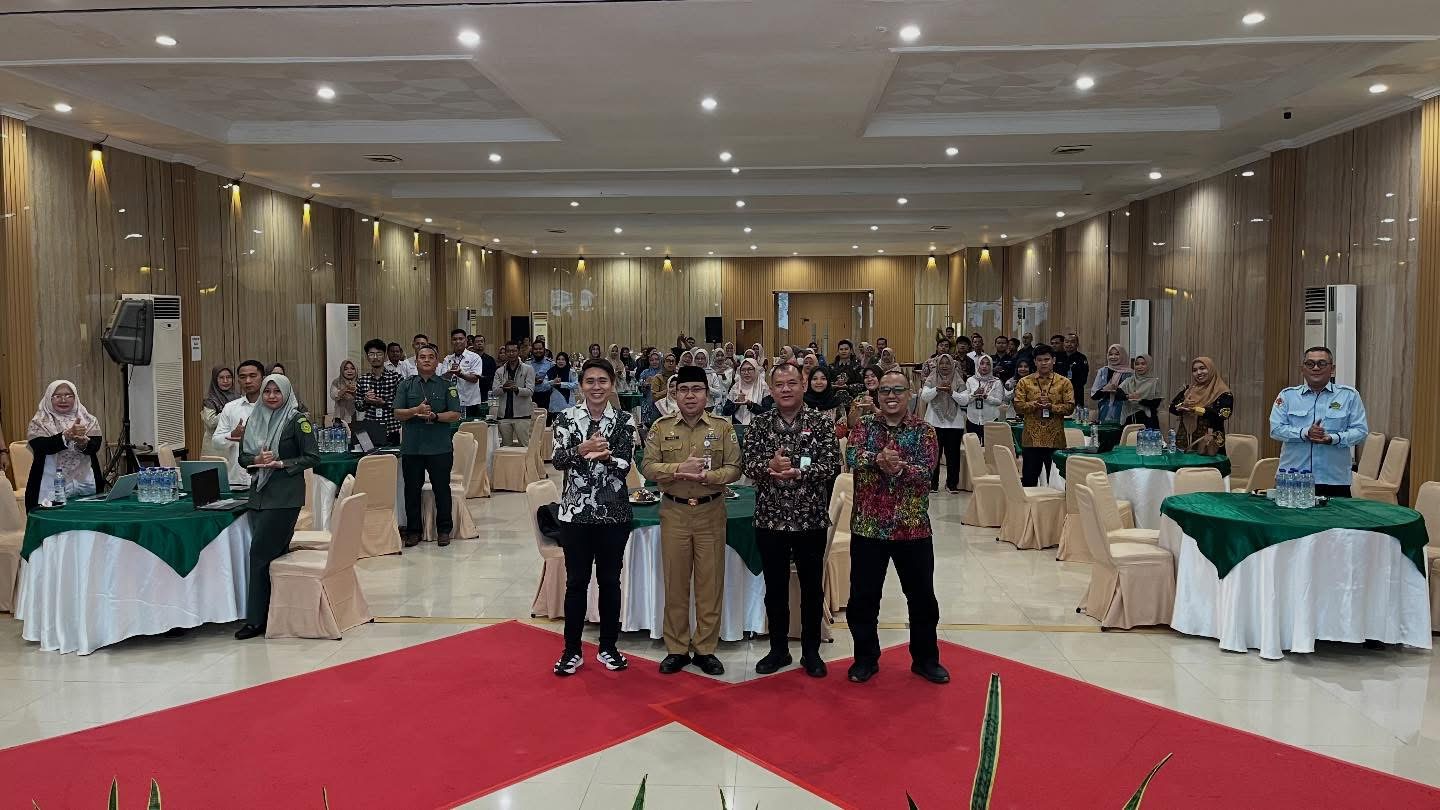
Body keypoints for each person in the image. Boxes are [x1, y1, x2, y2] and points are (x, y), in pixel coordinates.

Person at [845, 369, 946, 685]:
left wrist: (899, 469)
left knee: (922, 599)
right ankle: (865, 659)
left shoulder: (924, 431)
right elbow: (851, 455)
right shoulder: (864, 426)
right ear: (877, 395)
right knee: (863, 598)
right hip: (868, 527)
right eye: (885, 390)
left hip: (911, 527)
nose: (891, 396)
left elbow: (926, 471)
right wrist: (878, 459)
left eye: (898, 390)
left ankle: (925, 660)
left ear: (909, 394)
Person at [641, 365, 742, 676]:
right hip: (675, 512)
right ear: (674, 394)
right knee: (675, 583)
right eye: (683, 390)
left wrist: (709, 477)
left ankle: (705, 649)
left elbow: (735, 468)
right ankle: (676, 648)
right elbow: (647, 467)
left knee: (710, 584)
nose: (690, 395)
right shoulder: (661, 427)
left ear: (706, 394)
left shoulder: (723, 427)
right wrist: (678, 470)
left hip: (711, 512)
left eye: (696, 389)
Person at [742, 363, 839, 678]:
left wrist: (801, 471)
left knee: (811, 589)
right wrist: (768, 466)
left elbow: (831, 464)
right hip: (770, 520)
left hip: (810, 520)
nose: (786, 389)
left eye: (792, 383)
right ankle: (778, 650)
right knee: (775, 588)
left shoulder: (820, 423)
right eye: (780, 384)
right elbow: (748, 465)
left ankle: (811, 651)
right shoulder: (759, 424)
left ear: (803, 384)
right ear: (771, 389)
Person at [550, 359, 637, 676]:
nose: (596, 387)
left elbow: (626, 465)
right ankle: (571, 650)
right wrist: (581, 448)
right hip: (575, 515)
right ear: (581, 385)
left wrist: (608, 457)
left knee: (610, 582)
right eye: (590, 381)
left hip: (614, 514)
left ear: (612, 384)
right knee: (576, 583)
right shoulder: (566, 418)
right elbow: (557, 460)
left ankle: (608, 647)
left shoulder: (624, 421)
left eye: (602, 381)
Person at [233, 373, 318, 640]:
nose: (271, 396)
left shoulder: (297, 420)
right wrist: (256, 459)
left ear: (286, 393)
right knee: (273, 556)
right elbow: (243, 458)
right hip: (258, 495)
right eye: (267, 391)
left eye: (277, 391)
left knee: (259, 554)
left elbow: (312, 457)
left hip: (284, 498)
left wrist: (282, 464)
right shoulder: (254, 419)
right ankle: (276, 614)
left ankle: (255, 620)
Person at [1270, 347, 1369, 498]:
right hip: (1293, 477)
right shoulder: (1287, 396)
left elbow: (1360, 432)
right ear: (1302, 369)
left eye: (1322, 363)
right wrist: (1305, 433)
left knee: (1336, 515)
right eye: (1310, 364)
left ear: (1332, 369)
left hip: (1334, 480)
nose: (1315, 368)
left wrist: (1333, 438)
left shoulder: (1349, 396)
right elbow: (1276, 429)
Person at [394, 344, 462, 547]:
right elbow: (397, 413)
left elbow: (455, 414)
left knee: (441, 489)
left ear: (437, 362)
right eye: (422, 357)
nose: (426, 360)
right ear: (416, 362)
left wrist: (435, 416)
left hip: (439, 447)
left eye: (430, 357)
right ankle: (414, 531)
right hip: (412, 447)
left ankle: (444, 530)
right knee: (411, 491)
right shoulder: (406, 385)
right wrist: (415, 410)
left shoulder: (447, 385)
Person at [24, 380, 103, 511]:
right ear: (49, 398)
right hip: (49, 485)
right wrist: (66, 436)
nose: (63, 400)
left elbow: (95, 447)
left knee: (87, 518)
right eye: (57, 396)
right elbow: (40, 447)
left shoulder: (89, 420)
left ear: (75, 398)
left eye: (68, 395)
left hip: (85, 483)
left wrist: (83, 443)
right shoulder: (39, 421)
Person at [1012, 346, 1074, 486]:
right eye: (1040, 360)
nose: (1043, 363)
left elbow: (1070, 408)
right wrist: (1035, 404)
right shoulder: (1024, 382)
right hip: (1031, 439)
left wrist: (1051, 407)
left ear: (1054, 360)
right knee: (1029, 481)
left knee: (1057, 482)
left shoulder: (1064, 382)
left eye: (1047, 359)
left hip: (1055, 439)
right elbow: (1018, 407)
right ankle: (1030, 501)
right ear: (1035, 362)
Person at [211, 360, 265, 488]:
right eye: (243, 377)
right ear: (238, 381)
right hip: (238, 479)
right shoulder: (231, 408)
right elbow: (216, 442)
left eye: (253, 376)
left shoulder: (273, 407)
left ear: (263, 378)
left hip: (268, 477)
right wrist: (232, 435)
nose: (248, 381)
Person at [920, 354, 967, 493]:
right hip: (934, 422)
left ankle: (952, 484)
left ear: (952, 365)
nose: (944, 366)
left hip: (955, 424)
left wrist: (952, 392)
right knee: (933, 455)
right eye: (942, 363)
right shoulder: (932, 378)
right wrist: (937, 388)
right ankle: (933, 484)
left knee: (953, 456)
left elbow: (965, 400)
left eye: (947, 363)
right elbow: (925, 396)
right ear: (937, 365)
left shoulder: (958, 379)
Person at [1169, 357, 1233, 452]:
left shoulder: (1223, 393)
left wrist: (1196, 410)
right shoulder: (1189, 390)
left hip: (1209, 444)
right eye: (1194, 370)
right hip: (1185, 442)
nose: (1198, 373)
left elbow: (1223, 415)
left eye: (1202, 368)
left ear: (1211, 369)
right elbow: (1171, 407)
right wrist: (1183, 404)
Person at [356, 338, 402, 445]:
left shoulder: (396, 378)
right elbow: (358, 406)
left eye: (379, 354)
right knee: (371, 456)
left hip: (392, 428)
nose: (375, 357)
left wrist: (384, 403)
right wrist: (366, 401)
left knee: (393, 455)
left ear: (385, 356)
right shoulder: (362, 380)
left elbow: (402, 405)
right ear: (367, 357)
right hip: (370, 428)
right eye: (371, 354)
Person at [495, 341, 537, 447]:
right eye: (508, 351)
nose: (511, 353)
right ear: (505, 353)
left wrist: (517, 389)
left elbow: (530, 391)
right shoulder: (500, 371)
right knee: (505, 447)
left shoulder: (528, 369)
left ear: (518, 352)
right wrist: (504, 388)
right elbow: (495, 391)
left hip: (522, 415)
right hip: (504, 416)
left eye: (514, 351)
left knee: (525, 446)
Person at [720, 357, 773, 428]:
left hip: (758, 427)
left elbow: (767, 413)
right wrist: (737, 402)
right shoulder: (736, 387)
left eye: (750, 369)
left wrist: (750, 404)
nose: (746, 373)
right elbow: (726, 412)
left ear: (756, 370)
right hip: (737, 426)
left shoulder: (763, 387)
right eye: (743, 370)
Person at [443, 328, 485, 419]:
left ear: (465, 340)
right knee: (455, 427)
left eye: (460, 339)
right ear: (451, 341)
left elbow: (475, 379)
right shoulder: (447, 359)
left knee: (470, 427)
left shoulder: (474, 357)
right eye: (455, 339)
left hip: (470, 402)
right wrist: (450, 372)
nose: (458, 341)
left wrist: (460, 374)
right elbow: (443, 379)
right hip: (452, 402)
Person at [962, 354, 1005, 439]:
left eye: (988, 364)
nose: (984, 366)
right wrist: (975, 394)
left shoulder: (996, 382)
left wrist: (986, 397)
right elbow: (966, 400)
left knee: (989, 446)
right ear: (978, 365)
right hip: (973, 419)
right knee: (973, 445)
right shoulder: (971, 380)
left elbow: (998, 401)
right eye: (982, 363)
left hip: (990, 419)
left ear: (991, 366)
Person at [1089, 344, 1132, 424]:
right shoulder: (1103, 371)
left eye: (1117, 354)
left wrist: (1117, 390)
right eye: (1110, 354)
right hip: (1105, 411)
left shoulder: (1130, 374)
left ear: (1123, 355)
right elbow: (1094, 396)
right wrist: (1104, 389)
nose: (1113, 357)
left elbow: (1132, 395)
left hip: (1125, 411)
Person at [1120, 354, 1164, 429]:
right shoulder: (1129, 381)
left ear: (1149, 365)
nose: (1139, 366)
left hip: (1148, 419)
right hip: (1130, 418)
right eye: (1137, 364)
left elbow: (1156, 403)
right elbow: (1118, 394)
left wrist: (1140, 400)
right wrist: (1128, 396)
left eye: (1143, 364)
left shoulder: (1154, 382)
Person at [201, 366, 238, 438]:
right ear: (215, 380)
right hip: (215, 441)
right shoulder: (210, 400)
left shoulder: (238, 396)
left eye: (228, 377)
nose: (225, 381)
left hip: (235, 440)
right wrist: (229, 409)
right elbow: (211, 423)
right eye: (221, 378)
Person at [545, 352, 579, 422]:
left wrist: (562, 384)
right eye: (558, 359)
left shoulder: (571, 371)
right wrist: (553, 382)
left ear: (566, 361)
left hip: (568, 405)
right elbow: (544, 385)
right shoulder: (551, 371)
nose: (560, 361)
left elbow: (576, 384)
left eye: (563, 359)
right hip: (555, 404)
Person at [848, 366, 882, 431]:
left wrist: (875, 409)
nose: (869, 379)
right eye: (866, 377)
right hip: (862, 434)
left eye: (873, 376)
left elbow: (893, 420)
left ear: (880, 378)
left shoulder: (888, 396)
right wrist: (861, 407)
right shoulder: (859, 398)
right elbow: (851, 424)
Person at [329, 359, 359, 424]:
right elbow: (333, 396)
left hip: (357, 417)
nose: (349, 371)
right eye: (346, 369)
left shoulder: (361, 381)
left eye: (352, 368)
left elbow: (364, 397)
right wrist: (345, 389)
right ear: (342, 370)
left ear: (356, 370)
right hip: (339, 416)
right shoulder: (336, 382)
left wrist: (355, 392)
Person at [473, 334, 497, 402]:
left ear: (484, 344)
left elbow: (493, 377)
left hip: (485, 392)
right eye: (477, 342)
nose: (479, 343)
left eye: (481, 341)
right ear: (473, 344)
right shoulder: (469, 359)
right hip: (471, 391)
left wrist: (482, 377)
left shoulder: (490, 360)